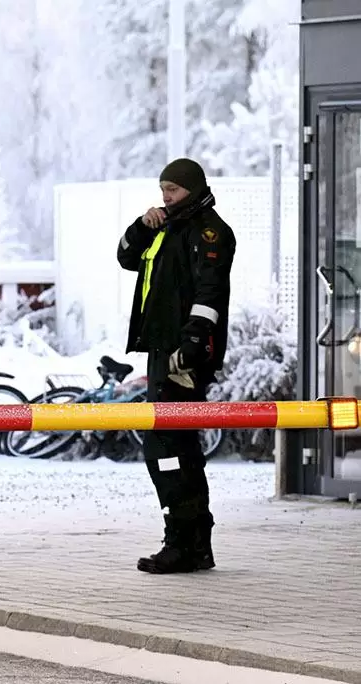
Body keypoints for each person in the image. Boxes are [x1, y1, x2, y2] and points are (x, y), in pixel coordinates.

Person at [116, 158, 235, 575]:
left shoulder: (209, 231)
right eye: (163, 188)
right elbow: (127, 258)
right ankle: (191, 542)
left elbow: (210, 290)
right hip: (162, 350)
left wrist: (190, 346)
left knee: (167, 446)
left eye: (173, 189)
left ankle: (185, 541)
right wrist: (142, 226)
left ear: (193, 189)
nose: (166, 196)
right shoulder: (165, 227)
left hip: (182, 356)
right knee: (174, 447)